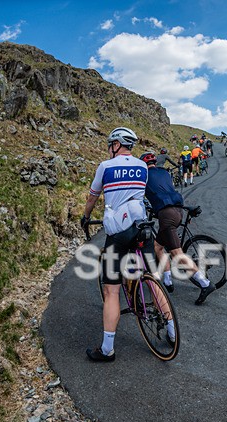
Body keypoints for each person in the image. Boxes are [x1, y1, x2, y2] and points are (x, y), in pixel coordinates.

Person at [80, 127, 160, 362]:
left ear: (116, 144)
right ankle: (172, 330)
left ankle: (107, 349)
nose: (109, 149)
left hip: (119, 231)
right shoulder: (142, 166)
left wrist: (86, 217)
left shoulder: (105, 167)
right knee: (153, 280)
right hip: (142, 226)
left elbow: (93, 196)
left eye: (110, 145)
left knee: (111, 290)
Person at [139, 152, 215, 305]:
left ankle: (205, 283)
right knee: (158, 247)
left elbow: (140, 194)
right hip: (178, 210)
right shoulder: (164, 173)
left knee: (177, 254)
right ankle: (167, 281)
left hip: (166, 214)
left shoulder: (143, 176)